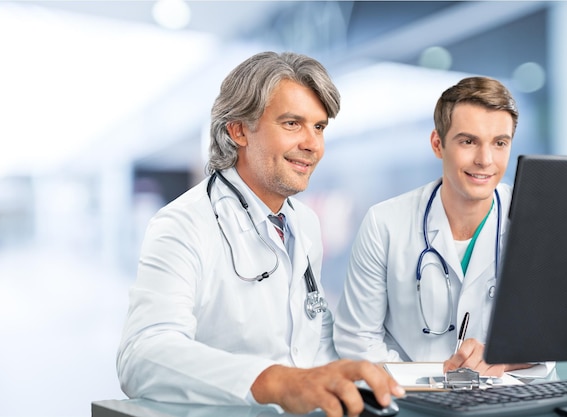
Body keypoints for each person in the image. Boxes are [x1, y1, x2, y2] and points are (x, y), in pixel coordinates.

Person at [116, 51, 404, 417]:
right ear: (238, 130)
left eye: (319, 127)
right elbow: (142, 354)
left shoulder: (304, 223)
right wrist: (278, 382)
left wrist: (435, 374)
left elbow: (317, 348)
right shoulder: (183, 224)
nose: (312, 144)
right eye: (292, 123)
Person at [333, 76, 545, 377]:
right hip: (411, 397)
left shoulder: (534, 221)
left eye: (499, 143)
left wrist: (500, 360)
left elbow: (549, 336)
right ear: (438, 144)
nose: (485, 160)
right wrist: (431, 378)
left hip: (509, 397)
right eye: (468, 141)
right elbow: (356, 340)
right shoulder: (385, 223)